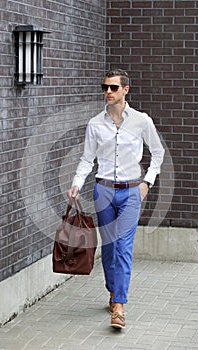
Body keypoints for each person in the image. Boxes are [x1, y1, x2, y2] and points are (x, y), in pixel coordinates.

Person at [67, 69, 164, 329]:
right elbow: (87, 159)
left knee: (123, 246)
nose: (107, 92)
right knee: (109, 248)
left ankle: (119, 305)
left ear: (125, 90)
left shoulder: (142, 121)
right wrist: (77, 184)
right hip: (104, 190)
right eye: (105, 87)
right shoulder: (95, 124)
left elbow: (158, 153)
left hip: (132, 191)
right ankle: (112, 290)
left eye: (112, 87)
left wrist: (148, 183)